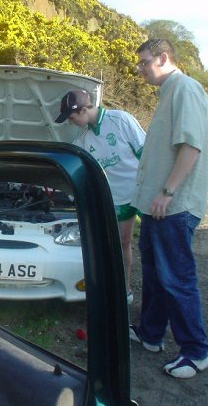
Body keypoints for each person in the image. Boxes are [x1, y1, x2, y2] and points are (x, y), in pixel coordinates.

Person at [129, 38, 208, 379]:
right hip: (156, 207)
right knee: (155, 275)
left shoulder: (185, 89)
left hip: (173, 207)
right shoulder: (168, 92)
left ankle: (196, 352)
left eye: (145, 62)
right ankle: (150, 334)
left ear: (163, 58)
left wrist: (167, 191)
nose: (140, 69)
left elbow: (191, 146)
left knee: (177, 279)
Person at [55, 89, 145, 304]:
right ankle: (114, 288)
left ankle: (137, 291)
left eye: (72, 117)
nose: (71, 122)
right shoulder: (84, 140)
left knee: (140, 245)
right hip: (114, 199)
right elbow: (68, 161)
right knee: (114, 243)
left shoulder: (121, 120)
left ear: (84, 110)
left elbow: (145, 151)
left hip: (140, 192)